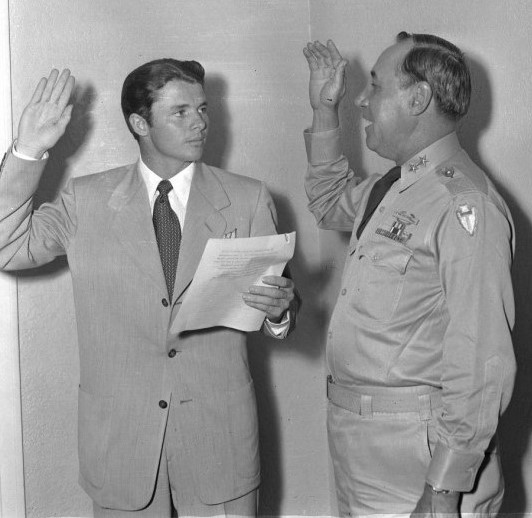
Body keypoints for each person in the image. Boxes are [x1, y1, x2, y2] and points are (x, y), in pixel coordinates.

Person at [0, 59, 298, 517]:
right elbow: (6, 248)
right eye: (180, 112)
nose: (199, 122)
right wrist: (26, 153)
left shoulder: (248, 197)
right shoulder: (86, 200)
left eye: (202, 109)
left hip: (220, 441)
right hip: (122, 444)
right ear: (140, 123)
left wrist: (278, 313)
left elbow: (275, 310)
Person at [303, 33, 516, 515]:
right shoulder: (393, 186)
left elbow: (482, 362)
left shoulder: (464, 205)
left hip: (419, 461)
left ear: (418, 99)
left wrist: (443, 491)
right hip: (363, 446)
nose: (361, 98)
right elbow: (326, 201)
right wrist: (323, 112)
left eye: (375, 86)